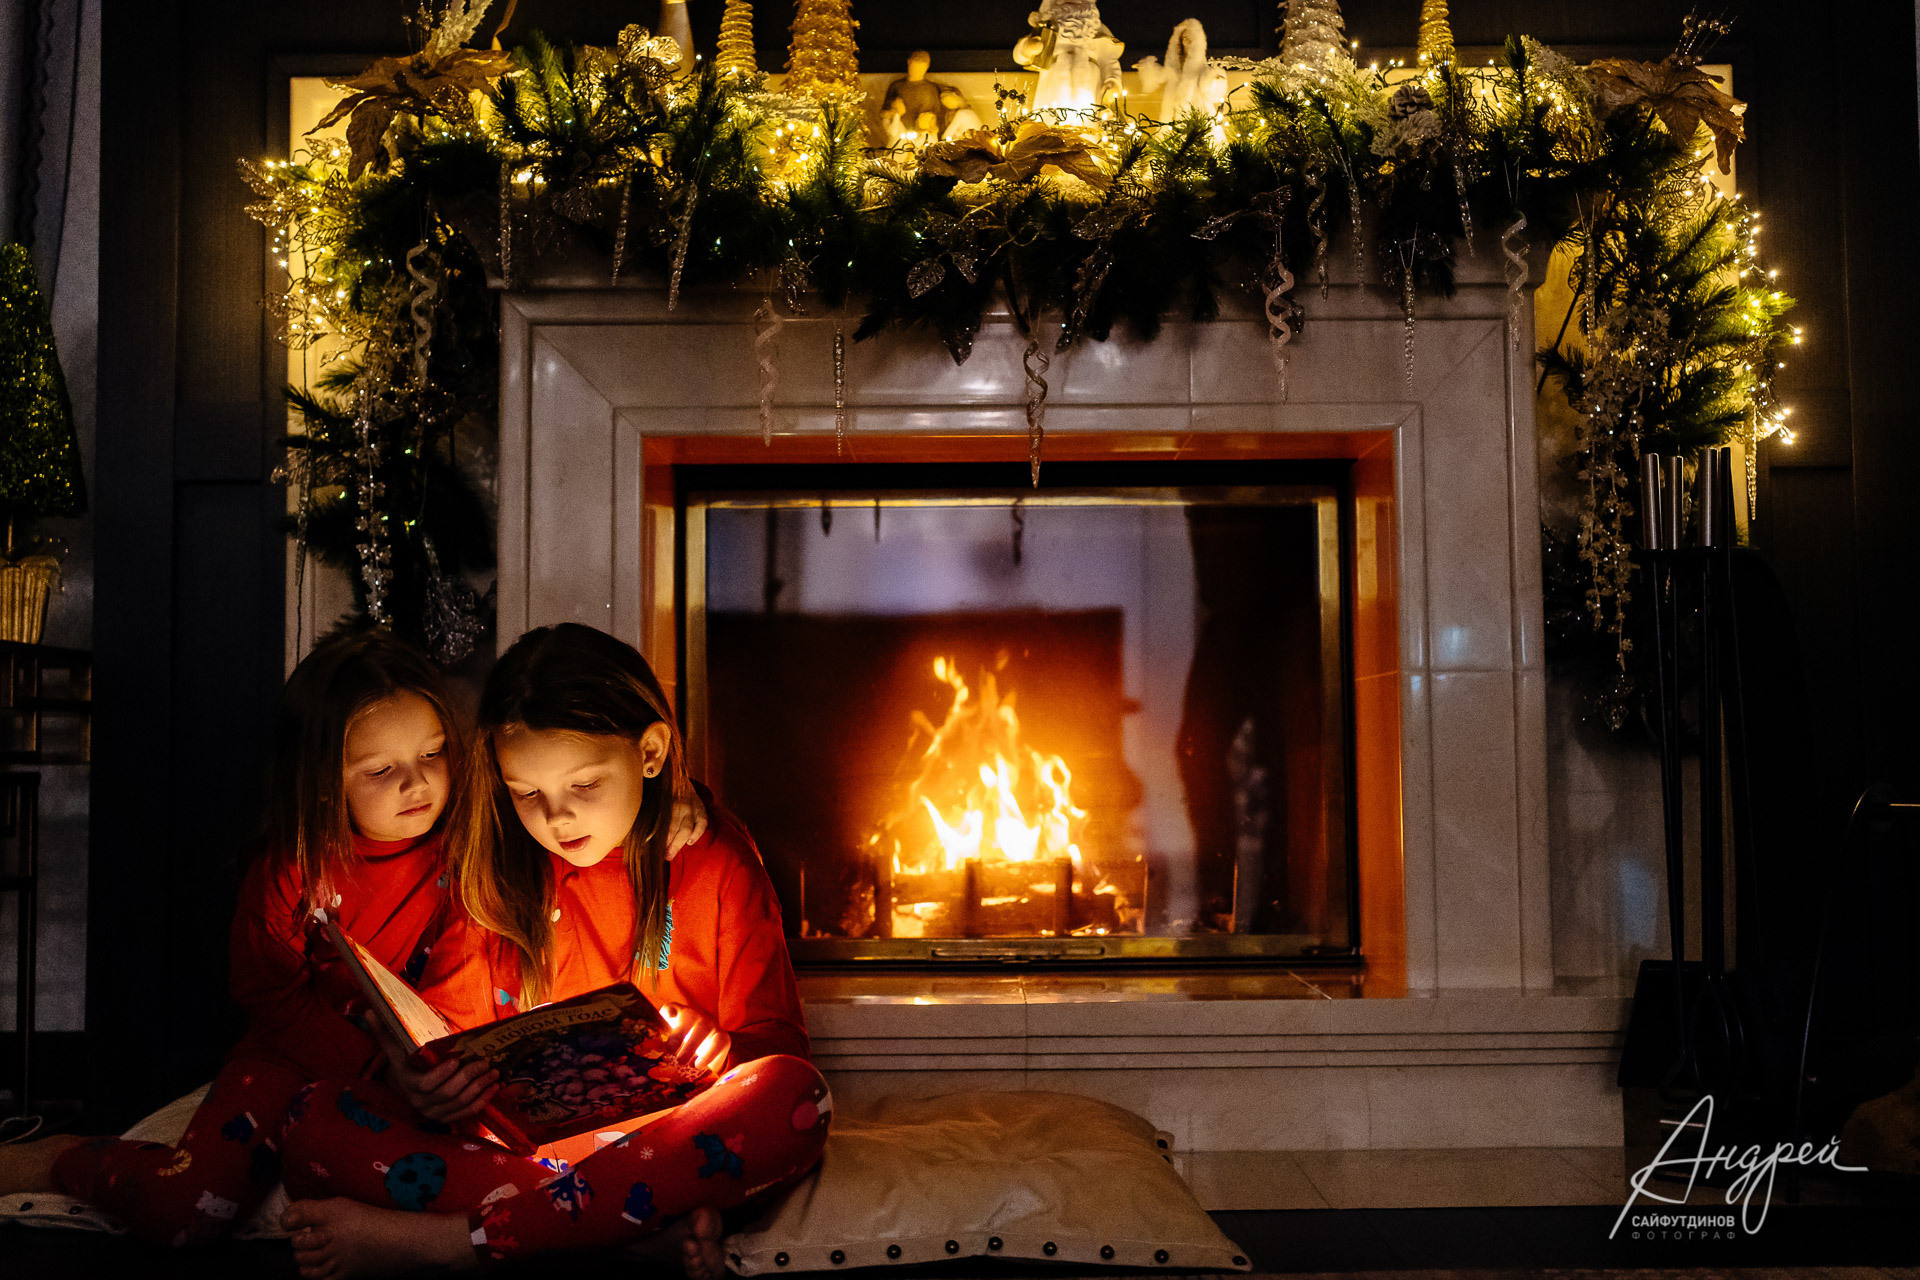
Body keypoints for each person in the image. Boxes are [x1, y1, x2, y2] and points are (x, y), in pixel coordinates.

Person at [276, 623, 830, 1279]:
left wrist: (720, 1050)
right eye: (527, 794)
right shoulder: (499, 868)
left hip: (669, 1144)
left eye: (585, 786)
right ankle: (623, 1228)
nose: (557, 819)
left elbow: (777, 1050)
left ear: (650, 753)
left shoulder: (713, 858)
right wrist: (429, 1085)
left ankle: (457, 1243)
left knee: (796, 1099)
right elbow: (447, 1036)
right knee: (314, 1120)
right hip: (535, 1156)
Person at [0, 627, 466, 1246]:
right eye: (381, 769)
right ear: (323, 778)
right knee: (187, 1209)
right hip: (289, 1060)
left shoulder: (462, 858)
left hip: (406, 1075)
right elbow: (267, 993)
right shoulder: (295, 864)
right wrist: (371, 1064)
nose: (417, 782)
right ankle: (59, 1157)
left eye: (432, 754)